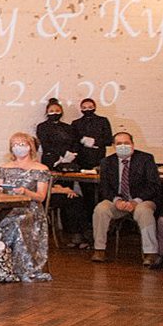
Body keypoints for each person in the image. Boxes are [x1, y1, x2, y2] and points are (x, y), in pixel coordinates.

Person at [0, 132, 51, 282]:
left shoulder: (41, 169)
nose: (18, 148)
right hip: (5, 206)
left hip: (28, 207)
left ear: (30, 147)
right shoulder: (4, 167)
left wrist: (25, 192)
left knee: (17, 221)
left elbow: (41, 197)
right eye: (15, 145)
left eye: (22, 144)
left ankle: (19, 265)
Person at [91, 132, 163, 266]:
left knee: (144, 211)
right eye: (119, 144)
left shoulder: (146, 159)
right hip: (118, 201)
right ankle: (99, 250)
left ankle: (150, 253)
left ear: (133, 145)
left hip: (141, 200)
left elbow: (154, 185)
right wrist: (116, 201)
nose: (123, 146)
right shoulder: (106, 162)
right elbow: (104, 188)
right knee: (101, 209)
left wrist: (136, 201)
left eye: (126, 143)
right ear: (113, 146)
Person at [67, 99, 114, 246]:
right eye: (84, 107)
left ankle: (102, 230)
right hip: (83, 162)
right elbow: (73, 141)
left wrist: (95, 141)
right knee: (87, 196)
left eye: (90, 107)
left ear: (94, 107)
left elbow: (108, 140)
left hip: (99, 161)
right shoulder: (76, 124)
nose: (87, 109)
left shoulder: (103, 121)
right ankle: (89, 230)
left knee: (101, 194)